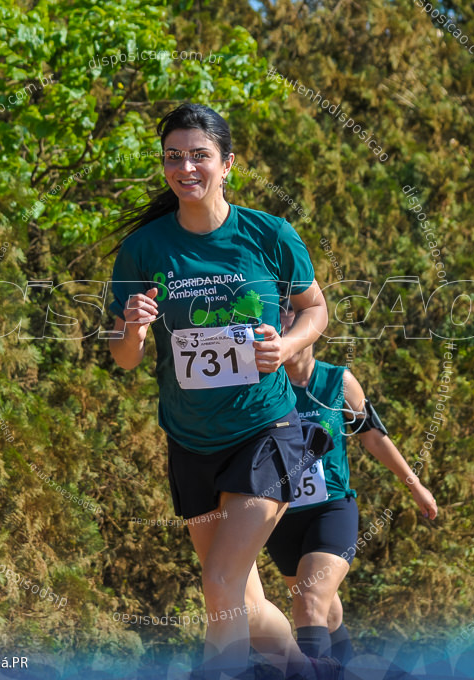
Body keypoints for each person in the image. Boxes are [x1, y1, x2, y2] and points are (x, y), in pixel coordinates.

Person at [108, 102, 336, 680]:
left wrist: (285, 348)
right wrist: (132, 328)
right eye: (174, 157)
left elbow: (316, 309)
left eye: (200, 156)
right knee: (244, 604)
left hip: (267, 430)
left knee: (219, 584)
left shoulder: (268, 234)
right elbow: (126, 359)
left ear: (227, 164)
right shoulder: (144, 248)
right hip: (191, 441)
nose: (186, 167)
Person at [265, 307, 438, 663]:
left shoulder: (339, 382)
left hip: (332, 510)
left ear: (310, 330)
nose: (286, 334)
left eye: (292, 324)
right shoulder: (265, 387)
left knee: (309, 603)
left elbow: (373, 437)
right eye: (279, 327)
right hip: (280, 516)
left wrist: (414, 484)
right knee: (326, 613)